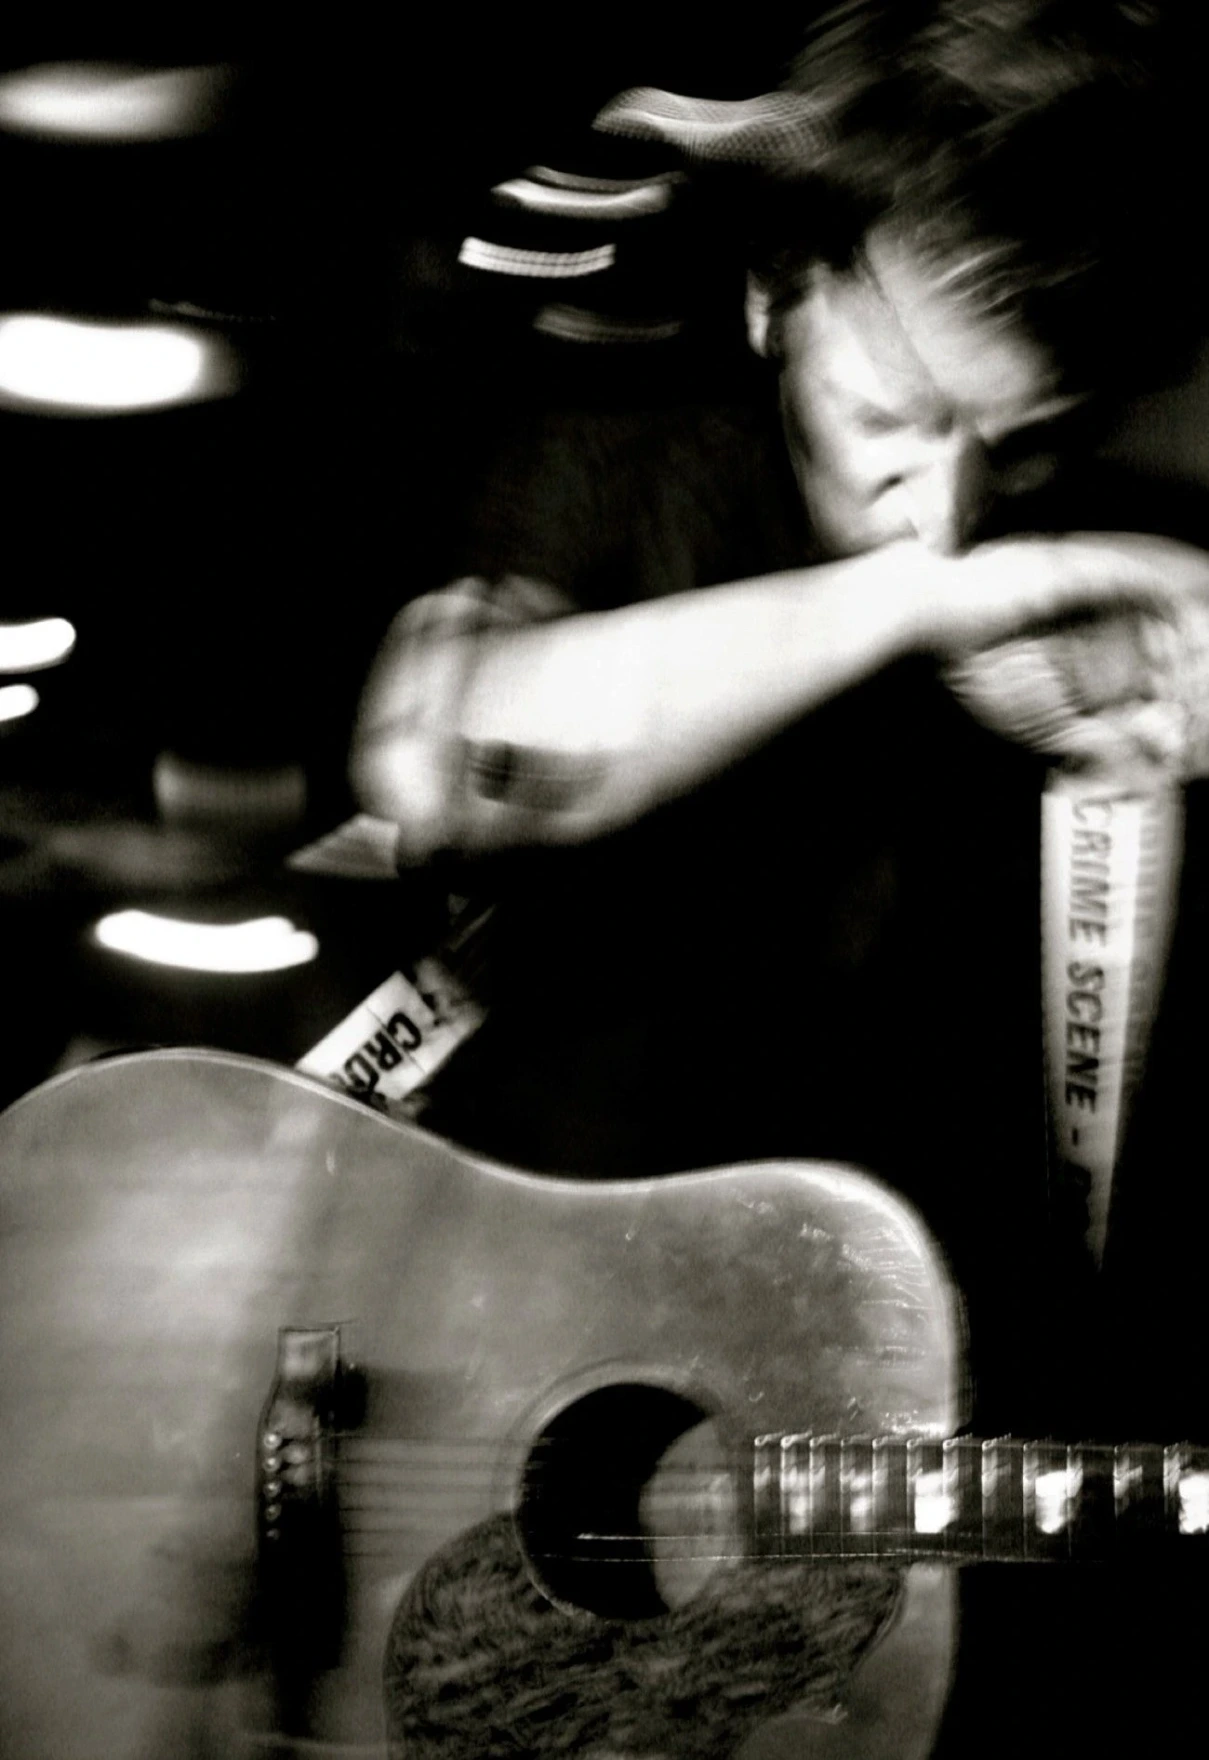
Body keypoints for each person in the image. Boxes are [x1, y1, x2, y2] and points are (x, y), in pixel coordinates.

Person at [358, 6, 1209, 1748]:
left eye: (1019, 441)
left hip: (851, 1533)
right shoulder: (647, 449)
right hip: (462, 1386)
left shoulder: (1131, 585)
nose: (946, 505)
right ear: (777, 294)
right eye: (895, 413)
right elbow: (440, 757)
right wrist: (912, 608)